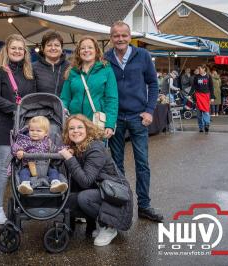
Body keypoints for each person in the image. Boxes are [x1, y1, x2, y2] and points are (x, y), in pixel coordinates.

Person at [104, 21, 163, 222]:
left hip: (138, 117)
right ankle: (122, 204)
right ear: (111, 38)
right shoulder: (105, 58)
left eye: (124, 35)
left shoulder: (143, 56)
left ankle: (144, 206)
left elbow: (153, 84)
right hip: (115, 118)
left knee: (142, 163)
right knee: (116, 165)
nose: (120, 39)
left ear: (130, 37)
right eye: (115, 35)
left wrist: (149, 110)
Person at [58, 114, 133, 246]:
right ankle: (97, 223)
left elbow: (86, 181)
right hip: (101, 190)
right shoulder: (76, 147)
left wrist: (69, 159)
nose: (75, 131)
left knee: (83, 197)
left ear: (88, 129)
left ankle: (109, 227)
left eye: (80, 127)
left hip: (116, 195)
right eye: (71, 128)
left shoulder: (95, 148)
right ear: (67, 132)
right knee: (68, 200)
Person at [0, 34, 36, 224]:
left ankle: (20, 203)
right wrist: (16, 109)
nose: (17, 51)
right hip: (3, 126)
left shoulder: (28, 73)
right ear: (6, 50)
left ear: (25, 52)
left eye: (20, 48)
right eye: (13, 48)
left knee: (23, 166)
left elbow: (32, 97)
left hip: (24, 127)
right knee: (4, 167)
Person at [60, 35, 118, 139]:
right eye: (82, 48)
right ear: (78, 52)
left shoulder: (106, 70)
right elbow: (65, 98)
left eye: (90, 47)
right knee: (75, 153)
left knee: (95, 153)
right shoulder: (72, 72)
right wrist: (64, 114)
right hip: (75, 125)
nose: (86, 50)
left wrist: (110, 124)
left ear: (96, 50)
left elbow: (112, 99)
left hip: (96, 123)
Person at [12, 116, 68, 195]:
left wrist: (66, 150)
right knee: (24, 172)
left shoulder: (49, 142)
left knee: (54, 171)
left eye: (38, 131)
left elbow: (58, 149)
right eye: (32, 130)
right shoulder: (25, 141)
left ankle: (55, 183)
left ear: (46, 133)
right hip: (30, 166)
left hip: (46, 166)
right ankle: (25, 184)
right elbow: (15, 146)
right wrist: (19, 151)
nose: (34, 132)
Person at [33, 31, 69, 96]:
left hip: (64, 106)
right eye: (49, 45)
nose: (53, 48)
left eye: (57, 45)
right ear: (43, 48)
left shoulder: (70, 67)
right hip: (41, 105)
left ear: (61, 48)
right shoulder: (33, 68)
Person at [189, 65, 214, 133]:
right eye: (198, 69)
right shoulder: (196, 77)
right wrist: (189, 95)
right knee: (199, 114)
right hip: (198, 96)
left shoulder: (208, 76)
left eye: (199, 69)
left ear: (204, 69)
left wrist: (212, 97)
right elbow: (193, 87)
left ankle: (207, 124)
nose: (198, 70)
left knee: (206, 111)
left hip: (206, 96)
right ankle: (201, 127)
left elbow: (211, 87)